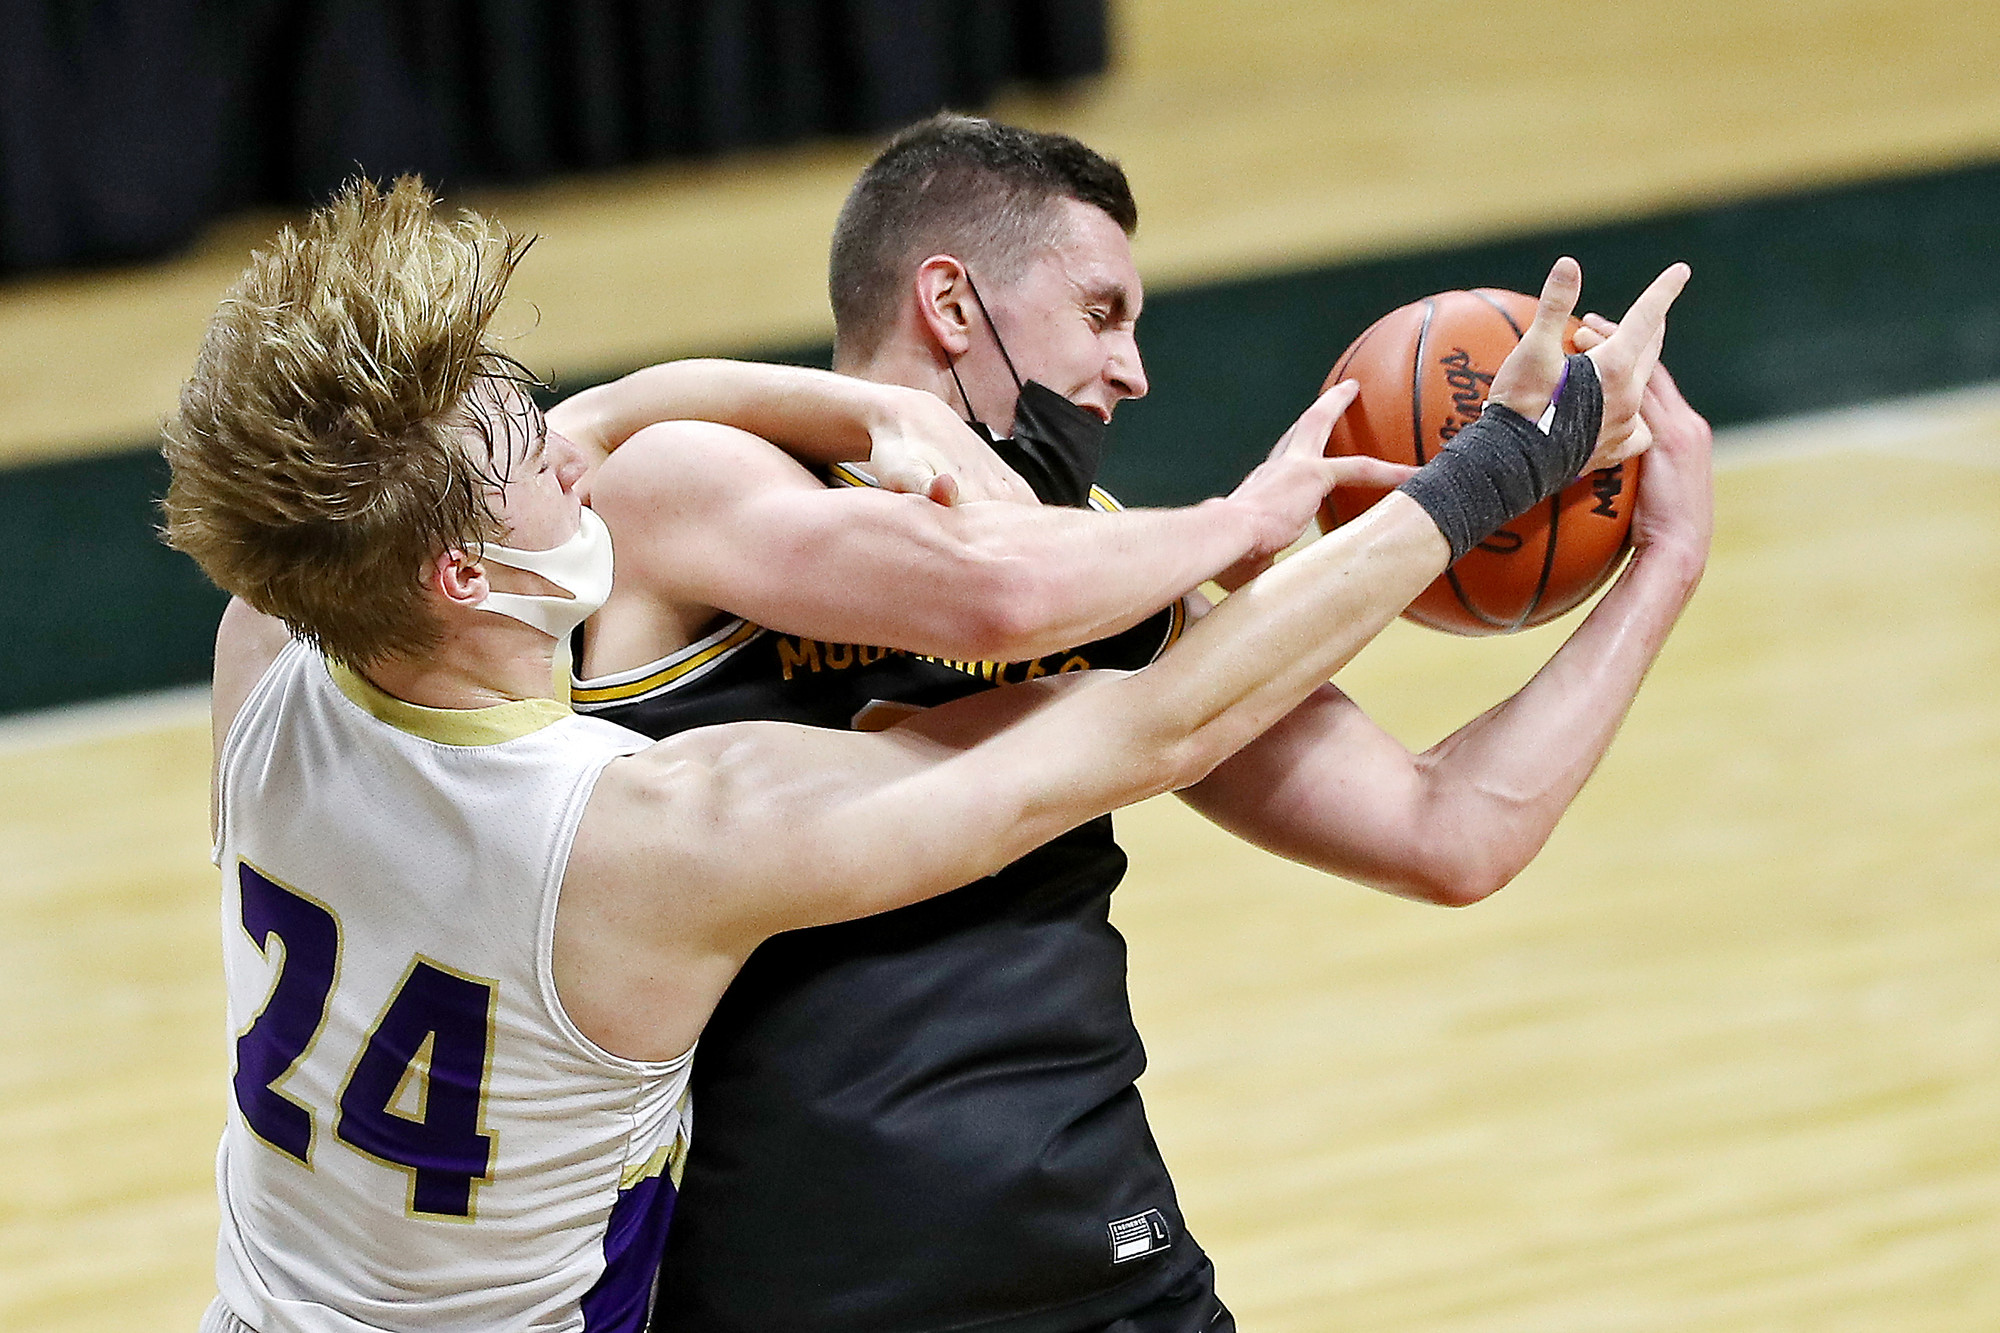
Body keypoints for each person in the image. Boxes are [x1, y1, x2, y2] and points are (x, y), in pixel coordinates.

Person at [160, 175, 1684, 1333]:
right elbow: (1130, 704)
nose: (570, 443)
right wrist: (1498, 465)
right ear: (463, 581)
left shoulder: (275, 644)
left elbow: (378, 483)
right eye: (529, 457)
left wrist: (739, 402)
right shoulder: (660, 834)